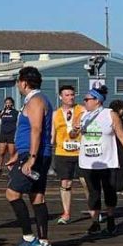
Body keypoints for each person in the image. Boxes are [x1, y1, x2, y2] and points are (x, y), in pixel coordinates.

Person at [5, 67, 54, 246]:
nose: (17, 85)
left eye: (18, 81)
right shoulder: (39, 99)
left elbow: (36, 130)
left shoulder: (35, 101)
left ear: (24, 82)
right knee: (37, 197)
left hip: (35, 156)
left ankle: (28, 238)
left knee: (12, 193)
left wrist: (31, 158)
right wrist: (18, 154)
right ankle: (43, 243)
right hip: (34, 153)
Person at [79, 87, 123, 236]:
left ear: (97, 100)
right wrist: (74, 130)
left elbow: (122, 135)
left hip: (107, 160)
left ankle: (110, 219)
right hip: (88, 161)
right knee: (93, 193)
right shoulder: (84, 115)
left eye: (87, 99)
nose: (84, 102)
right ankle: (95, 222)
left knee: (109, 191)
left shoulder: (110, 114)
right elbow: (75, 134)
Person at [51, 85, 83, 224]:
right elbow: (53, 134)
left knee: (85, 182)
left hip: (81, 152)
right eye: (67, 95)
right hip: (62, 152)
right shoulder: (55, 114)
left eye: (72, 94)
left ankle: (94, 210)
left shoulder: (81, 110)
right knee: (65, 182)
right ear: (60, 97)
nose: (70, 97)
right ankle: (66, 213)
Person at [0, 98, 19, 178]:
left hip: (12, 134)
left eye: (9, 103)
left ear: (12, 104)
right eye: (6, 103)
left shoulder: (15, 112)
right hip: (3, 134)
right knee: (1, 152)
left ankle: (11, 170)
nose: (8, 104)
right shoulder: (2, 112)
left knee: (12, 153)